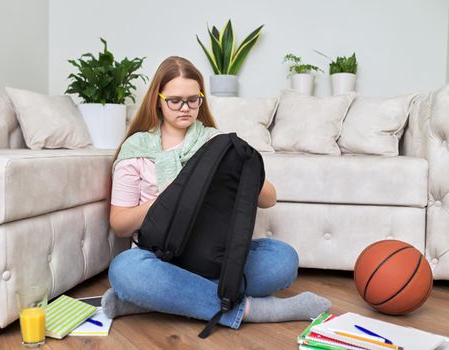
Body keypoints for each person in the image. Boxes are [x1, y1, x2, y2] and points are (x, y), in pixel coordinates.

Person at [102, 56, 331, 330]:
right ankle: (251, 309)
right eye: (175, 100)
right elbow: (120, 224)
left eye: (193, 99)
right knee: (125, 270)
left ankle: (151, 300)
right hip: (160, 259)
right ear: (158, 100)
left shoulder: (215, 142)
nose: (185, 108)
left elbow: (269, 199)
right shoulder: (137, 148)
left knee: (283, 259)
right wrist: (173, 196)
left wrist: (236, 165)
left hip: (216, 256)